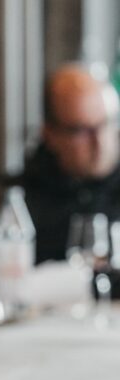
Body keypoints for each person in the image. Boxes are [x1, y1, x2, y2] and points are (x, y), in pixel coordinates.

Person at [21, 63, 120, 263]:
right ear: (50, 134)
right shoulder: (23, 199)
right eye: (82, 130)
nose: (99, 141)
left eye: (106, 123)